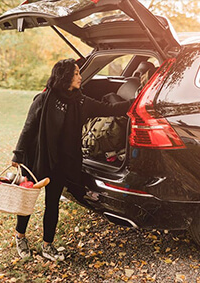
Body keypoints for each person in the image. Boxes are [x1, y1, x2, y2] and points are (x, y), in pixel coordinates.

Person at [12, 58, 134, 261]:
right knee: (28, 201)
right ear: (65, 76)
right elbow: (29, 127)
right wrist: (17, 155)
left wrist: (136, 103)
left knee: (53, 204)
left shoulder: (80, 101)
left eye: (79, 73)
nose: (80, 77)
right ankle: (20, 236)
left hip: (61, 162)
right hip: (37, 157)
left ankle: (47, 245)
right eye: (76, 73)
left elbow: (109, 109)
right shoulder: (43, 100)